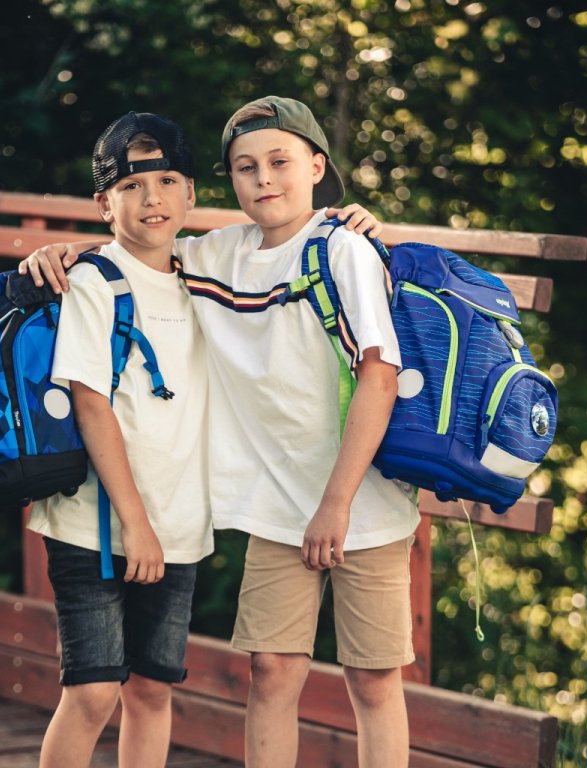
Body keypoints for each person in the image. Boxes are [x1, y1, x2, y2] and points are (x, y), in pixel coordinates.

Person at [21, 97, 417, 768]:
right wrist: (65, 253)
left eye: (280, 162)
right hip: (274, 509)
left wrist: (337, 503)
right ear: (227, 180)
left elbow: (379, 376)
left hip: (361, 502)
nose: (264, 179)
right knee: (271, 672)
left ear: (316, 166)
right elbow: (140, 250)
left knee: (374, 678)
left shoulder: (341, 248)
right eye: (245, 167)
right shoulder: (216, 256)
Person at [26, 111, 213, 768]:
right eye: (131, 186)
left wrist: (349, 221)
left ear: (191, 193)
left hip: (180, 523)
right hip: (94, 523)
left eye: (167, 182)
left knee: (153, 691)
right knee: (93, 693)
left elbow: (284, 239)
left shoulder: (206, 276)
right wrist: (135, 524)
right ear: (104, 203)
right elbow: (90, 402)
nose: (152, 198)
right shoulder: (91, 281)